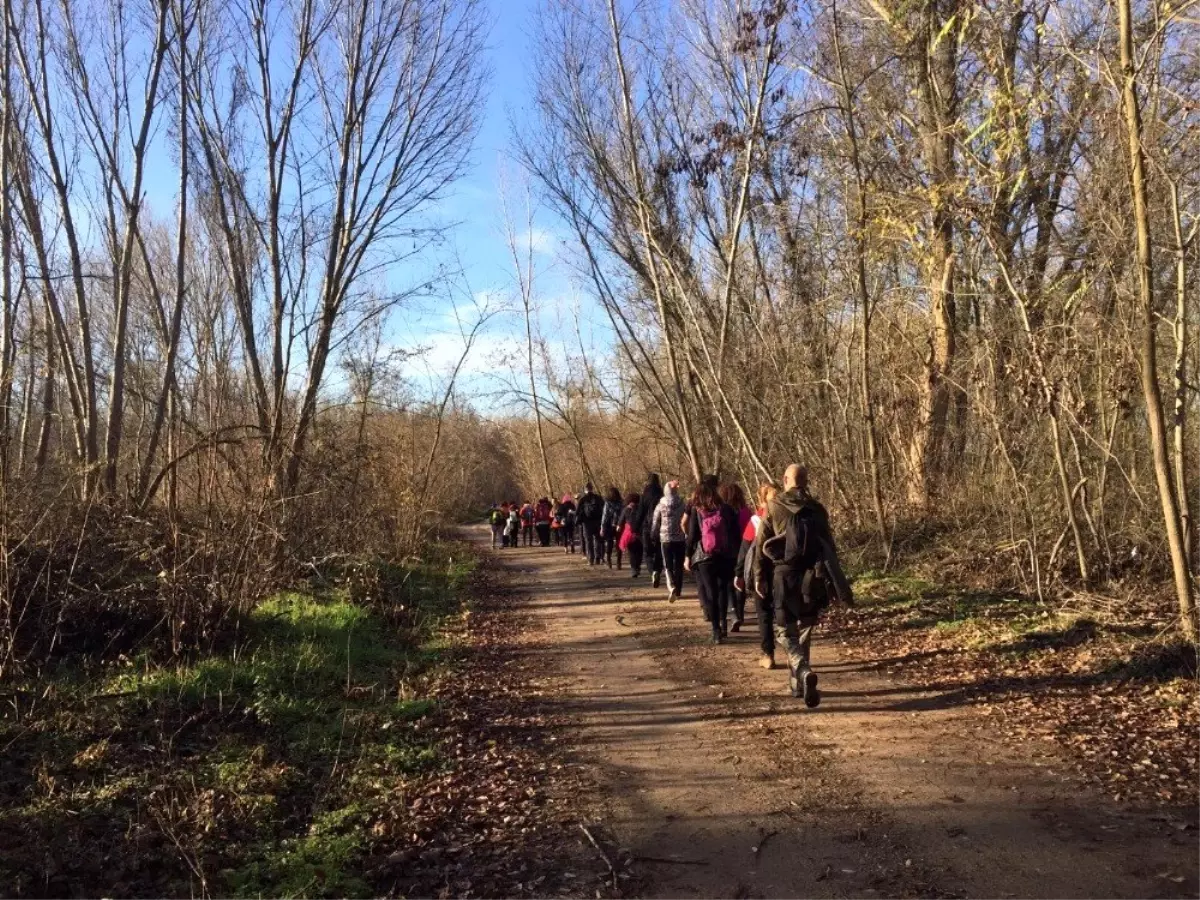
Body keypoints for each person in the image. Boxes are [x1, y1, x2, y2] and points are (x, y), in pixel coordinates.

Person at [751, 464, 853, 707]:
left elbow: (760, 545)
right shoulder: (818, 509)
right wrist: (835, 582)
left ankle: (801, 669)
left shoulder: (774, 507)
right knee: (806, 628)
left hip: (784, 577)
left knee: (785, 631)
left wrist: (759, 576)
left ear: (785, 480)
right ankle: (797, 684)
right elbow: (829, 547)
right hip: (813, 576)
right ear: (805, 482)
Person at [685, 476, 740, 642]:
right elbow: (735, 533)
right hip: (725, 555)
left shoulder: (697, 510)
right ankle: (724, 623)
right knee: (723, 589)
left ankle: (716, 630)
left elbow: (693, 535)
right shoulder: (726, 508)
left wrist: (688, 556)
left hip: (704, 557)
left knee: (711, 593)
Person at [737, 482, 779, 669]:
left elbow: (745, 549)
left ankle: (768, 653)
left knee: (764, 614)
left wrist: (738, 573)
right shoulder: (786, 517)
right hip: (782, 571)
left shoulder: (755, 521)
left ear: (760, 499)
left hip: (759, 572)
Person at [719, 482, 752, 632]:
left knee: (729, 582)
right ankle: (740, 613)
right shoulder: (746, 511)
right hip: (744, 550)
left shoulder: (723, 511)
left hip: (728, 551)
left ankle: (733, 613)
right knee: (741, 581)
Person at [651, 480, 686, 600]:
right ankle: (679, 589)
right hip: (680, 538)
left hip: (665, 538)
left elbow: (655, 520)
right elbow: (687, 518)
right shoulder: (682, 504)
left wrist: (653, 534)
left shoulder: (661, 504)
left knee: (668, 564)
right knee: (679, 565)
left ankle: (671, 587)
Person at [633, 473, 664, 587]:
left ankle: (652, 571)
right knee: (659, 551)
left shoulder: (645, 495)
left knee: (648, 552)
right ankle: (657, 570)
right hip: (661, 527)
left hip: (647, 527)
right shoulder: (662, 494)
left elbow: (640, 512)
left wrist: (635, 528)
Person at [577, 483, 605, 565]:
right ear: (592, 489)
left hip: (587, 523)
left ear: (585, 489)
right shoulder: (599, 498)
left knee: (588, 541)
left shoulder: (583, 499)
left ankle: (590, 559)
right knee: (597, 540)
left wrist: (578, 521)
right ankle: (598, 558)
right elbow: (604, 509)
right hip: (598, 522)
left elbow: (578, 512)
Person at [616, 491, 643, 576]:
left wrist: (619, 526)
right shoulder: (641, 509)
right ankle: (637, 566)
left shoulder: (626, 509)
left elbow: (621, 520)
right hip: (639, 532)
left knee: (632, 552)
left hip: (629, 533)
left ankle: (634, 569)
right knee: (639, 551)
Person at [601, 486, 624, 569]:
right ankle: (618, 562)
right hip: (619, 525)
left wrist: (602, 527)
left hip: (609, 525)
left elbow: (605, 515)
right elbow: (623, 514)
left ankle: (609, 561)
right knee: (619, 544)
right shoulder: (621, 502)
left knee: (609, 543)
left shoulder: (607, 503)